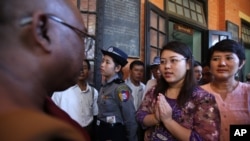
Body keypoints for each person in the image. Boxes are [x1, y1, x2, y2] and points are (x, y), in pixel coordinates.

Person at [0, 0, 89, 140]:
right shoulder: (44, 134)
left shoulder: (42, 108)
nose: (85, 52)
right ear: (43, 31)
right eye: (81, 36)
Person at [136, 41, 220, 141]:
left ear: (188, 64)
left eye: (173, 60)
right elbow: (140, 115)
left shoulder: (203, 98)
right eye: (163, 61)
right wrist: (155, 118)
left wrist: (168, 120)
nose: (166, 66)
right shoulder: (154, 91)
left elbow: (204, 138)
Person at [200, 39, 250, 141]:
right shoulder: (196, 93)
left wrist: (235, 134)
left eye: (229, 58)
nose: (222, 63)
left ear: (241, 63)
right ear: (209, 65)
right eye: (215, 59)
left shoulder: (248, 92)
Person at [97, 46, 138, 141]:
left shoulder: (121, 89)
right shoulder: (104, 86)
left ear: (117, 68)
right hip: (101, 131)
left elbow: (130, 119)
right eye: (102, 61)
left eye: (107, 62)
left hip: (114, 134)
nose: (102, 65)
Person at [51, 59, 98, 141]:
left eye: (84, 68)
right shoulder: (61, 90)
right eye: (78, 68)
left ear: (89, 71)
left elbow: (95, 113)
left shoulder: (93, 92)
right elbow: (51, 112)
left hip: (87, 131)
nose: (81, 70)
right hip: (67, 131)